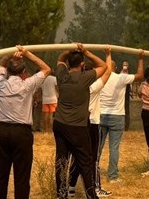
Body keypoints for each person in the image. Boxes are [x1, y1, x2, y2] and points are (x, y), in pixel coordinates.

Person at [0, 46, 51, 199]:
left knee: (0, 174)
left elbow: (1, 63)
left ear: (7, 72)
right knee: (22, 177)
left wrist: (10, 55)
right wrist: (27, 54)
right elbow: (46, 69)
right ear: (24, 73)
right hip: (22, 134)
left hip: (3, 131)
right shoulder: (28, 84)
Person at [53, 44, 106, 199]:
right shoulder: (85, 77)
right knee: (85, 162)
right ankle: (91, 194)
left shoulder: (62, 74)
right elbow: (103, 66)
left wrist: (69, 51)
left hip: (60, 124)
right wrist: (86, 51)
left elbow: (60, 59)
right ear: (82, 65)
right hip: (78, 127)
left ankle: (61, 194)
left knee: (62, 161)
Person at [67, 47, 114, 198]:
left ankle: (71, 188)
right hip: (92, 123)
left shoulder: (74, 84)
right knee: (92, 158)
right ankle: (95, 188)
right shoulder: (93, 86)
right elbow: (107, 71)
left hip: (77, 123)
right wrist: (108, 54)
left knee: (76, 156)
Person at [98, 58, 144, 183]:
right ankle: (112, 176)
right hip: (117, 116)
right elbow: (140, 75)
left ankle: (92, 171)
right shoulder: (120, 78)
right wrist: (140, 58)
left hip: (101, 115)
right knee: (114, 147)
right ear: (115, 68)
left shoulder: (100, 78)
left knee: (97, 146)